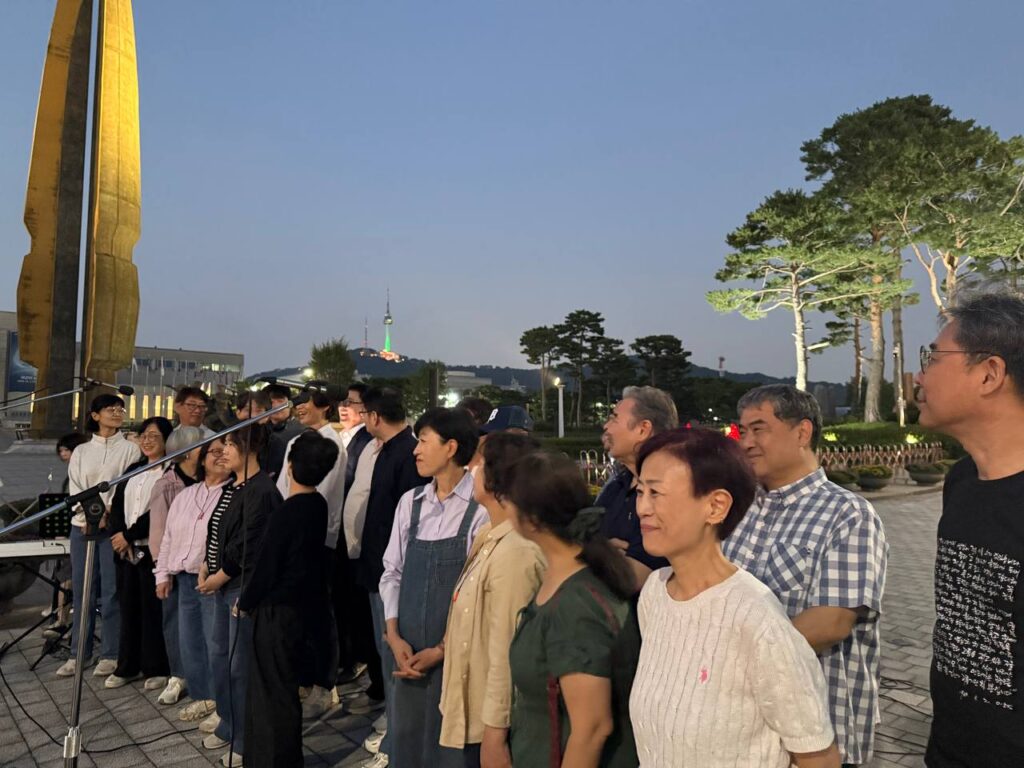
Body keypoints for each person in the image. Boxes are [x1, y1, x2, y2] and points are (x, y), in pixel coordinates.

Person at [631, 427, 839, 767]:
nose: (642, 507)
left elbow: (818, 755)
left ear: (715, 506)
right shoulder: (656, 592)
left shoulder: (756, 617)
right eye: (640, 491)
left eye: (656, 492)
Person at [725, 384, 887, 767]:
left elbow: (831, 622)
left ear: (802, 432)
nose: (746, 442)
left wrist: (728, 659)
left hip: (814, 731)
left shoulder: (847, 514)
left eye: (759, 429)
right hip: (742, 726)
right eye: (743, 431)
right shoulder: (738, 508)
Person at [913, 294, 1024, 767]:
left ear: (989, 374)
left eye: (933, 358)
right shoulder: (961, 480)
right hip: (949, 749)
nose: (919, 377)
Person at [506, 451, 639, 768]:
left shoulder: (577, 606)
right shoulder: (566, 576)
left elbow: (592, 728)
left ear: (532, 520)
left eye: (508, 499)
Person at [380, 407, 486, 768]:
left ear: (451, 447)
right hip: (406, 653)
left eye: (424, 441)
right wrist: (394, 635)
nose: (416, 450)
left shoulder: (480, 509)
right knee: (407, 743)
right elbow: (391, 572)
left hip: (456, 655)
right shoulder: (409, 503)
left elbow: (477, 593)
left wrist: (442, 649)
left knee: (451, 749)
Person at [439, 432, 545, 768]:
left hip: (494, 725)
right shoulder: (490, 535)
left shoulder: (516, 551)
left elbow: (506, 650)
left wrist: (495, 733)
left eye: (480, 463)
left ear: (499, 479)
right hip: (476, 713)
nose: (471, 469)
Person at [240, 430, 339, 768]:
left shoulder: (286, 511)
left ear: (291, 466)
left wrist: (246, 601)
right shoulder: (318, 504)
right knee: (283, 687)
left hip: (276, 609)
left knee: (270, 691)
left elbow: (267, 565)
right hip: (302, 607)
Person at [199, 425, 282, 768]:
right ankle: (228, 722)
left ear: (249, 449)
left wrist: (219, 576)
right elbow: (217, 531)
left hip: (240, 586)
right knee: (219, 656)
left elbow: (251, 544)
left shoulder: (262, 490)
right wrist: (206, 564)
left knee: (239, 666)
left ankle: (246, 739)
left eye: (230, 445)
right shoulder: (232, 486)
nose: (223, 452)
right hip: (220, 582)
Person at [355, 387, 426, 768]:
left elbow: (406, 525)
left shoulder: (405, 454)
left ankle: (397, 736)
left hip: (392, 572)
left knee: (392, 650)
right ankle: (393, 725)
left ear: (375, 417)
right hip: (378, 568)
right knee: (385, 652)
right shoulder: (389, 450)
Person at [57, 394, 142, 678]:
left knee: (112, 590)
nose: (117, 413)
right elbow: (76, 485)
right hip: (82, 525)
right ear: (95, 415)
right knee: (83, 589)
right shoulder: (81, 451)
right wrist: (87, 516)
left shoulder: (130, 449)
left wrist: (105, 513)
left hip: (112, 526)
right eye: (110, 409)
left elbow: (125, 485)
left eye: (120, 409)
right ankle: (78, 653)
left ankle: (110, 653)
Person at [275, 386, 347, 718]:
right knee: (298, 613)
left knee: (319, 614)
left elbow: (322, 491)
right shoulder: (296, 440)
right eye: (298, 403)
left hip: (317, 538)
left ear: (324, 406)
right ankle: (303, 678)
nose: (299, 407)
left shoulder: (332, 443)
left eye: (305, 402)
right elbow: (283, 485)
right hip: (291, 534)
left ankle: (324, 684)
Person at [155, 437, 230, 731]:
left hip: (213, 580)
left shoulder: (231, 494)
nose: (220, 456)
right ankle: (203, 695)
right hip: (183, 579)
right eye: (213, 452)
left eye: (225, 451)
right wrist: (162, 574)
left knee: (216, 642)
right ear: (201, 459)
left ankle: (222, 701)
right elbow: (168, 538)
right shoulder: (186, 495)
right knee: (190, 641)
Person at [105, 416, 174, 691]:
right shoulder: (133, 469)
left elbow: (159, 511)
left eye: (154, 436)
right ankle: (128, 665)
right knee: (128, 608)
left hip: (151, 549)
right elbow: (117, 504)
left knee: (152, 611)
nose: (147, 441)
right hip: (125, 549)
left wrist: (130, 535)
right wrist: (118, 534)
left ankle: (156, 666)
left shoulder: (171, 472)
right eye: (143, 435)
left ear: (167, 440)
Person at [596, 386, 678, 591]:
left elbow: (634, 576)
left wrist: (595, 552)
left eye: (614, 418)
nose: (606, 426)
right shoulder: (617, 484)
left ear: (643, 429)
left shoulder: (669, 492)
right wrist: (606, 553)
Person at [147, 425, 203, 706]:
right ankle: (178, 675)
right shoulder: (167, 484)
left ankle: (201, 676)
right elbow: (158, 532)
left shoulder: (209, 479)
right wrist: (163, 571)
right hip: (175, 566)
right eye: (202, 445)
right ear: (187, 451)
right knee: (175, 622)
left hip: (202, 565)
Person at [335, 383, 381, 699]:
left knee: (360, 609)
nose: (345, 407)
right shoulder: (347, 438)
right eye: (344, 401)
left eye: (352, 402)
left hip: (358, 538)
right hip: (343, 533)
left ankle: (362, 661)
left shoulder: (367, 442)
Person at [43, 432, 90, 639]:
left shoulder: (81, 472)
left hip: (80, 529)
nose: (63, 454)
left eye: (66, 450)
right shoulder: (70, 474)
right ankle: (59, 613)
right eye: (61, 451)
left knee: (68, 575)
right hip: (71, 529)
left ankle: (63, 619)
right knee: (62, 573)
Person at [264, 383, 303, 479]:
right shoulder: (261, 430)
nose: (275, 406)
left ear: (290, 404)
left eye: (280, 401)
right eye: (271, 402)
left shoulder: (301, 431)